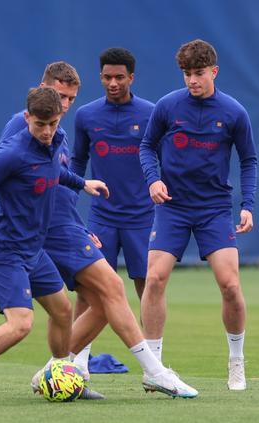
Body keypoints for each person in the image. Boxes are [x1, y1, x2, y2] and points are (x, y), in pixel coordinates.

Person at [0, 62, 197, 399]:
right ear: (41, 91)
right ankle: (155, 372)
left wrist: (80, 226)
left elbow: (57, 183)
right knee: (112, 287)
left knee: (100, 301)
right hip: (47, 229)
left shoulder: (58, 132)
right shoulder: (23, 124)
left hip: (64, 225)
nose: (65, 104)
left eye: (70, 98)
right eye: (59, 96)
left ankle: (59, 372)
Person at [0, 87, 108, 405]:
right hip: (5, 250)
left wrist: (82, 183)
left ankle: (59, 373)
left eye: (53, 124)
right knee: (20, 325)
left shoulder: (55, 141)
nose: (46, 131)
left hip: (34, 249)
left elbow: (56, 171)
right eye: (40, 124)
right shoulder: (13, 153)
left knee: (62, 310)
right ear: (27, 118)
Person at [139, 39, 257, 390]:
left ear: (214, 72)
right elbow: (147, 147)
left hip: (214, 209)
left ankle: (236, 361)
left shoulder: (234, 112)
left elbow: (249, 159)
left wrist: (247, 204)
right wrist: (153, 180)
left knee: (230, 284)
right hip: (172, 206)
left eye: (199, 73)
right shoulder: (167, 106)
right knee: (155, 278)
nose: (193, 80)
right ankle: (154, 367)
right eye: (187, 74)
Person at [71, 47, 155, 364]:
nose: (113, 83)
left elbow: (164, 159)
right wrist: (69, 200)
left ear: (131, 77)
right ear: (100, 77)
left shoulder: (151, 113)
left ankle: (155, 360)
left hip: (142, 217)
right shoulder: (87, 116)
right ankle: (79, 363)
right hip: (102, 218)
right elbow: (77, 162)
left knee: (147, 286)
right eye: (107, 77)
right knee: (88, 287)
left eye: (120, 77)